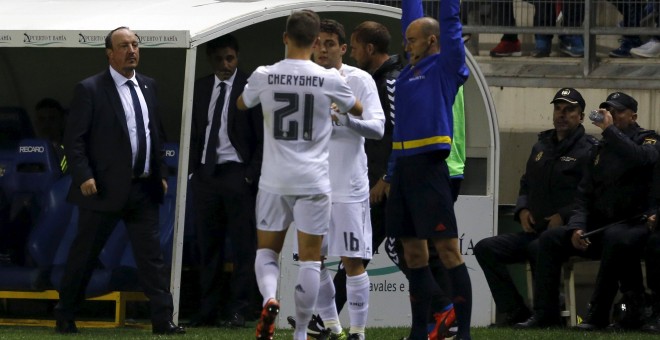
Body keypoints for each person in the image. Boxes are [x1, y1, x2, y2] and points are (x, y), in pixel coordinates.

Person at [236, 10, 363, 340]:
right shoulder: (329, 79)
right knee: (311, 261)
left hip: (274, 180)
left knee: (266, 252)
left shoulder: (264, 74)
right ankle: (302, 332)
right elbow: (358, 110)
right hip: (313, 181)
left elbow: (241, 104)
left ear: (285, 38)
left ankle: (270, 299)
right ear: (317, 41)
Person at [55, 26, 184, 335]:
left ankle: (162, 320)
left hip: (143, 188)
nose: (132, 50)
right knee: (85, 256)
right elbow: (74, 141)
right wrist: (84, 175)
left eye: (135, 45)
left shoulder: (149, 86)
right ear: (109, 53)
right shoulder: (90, 89)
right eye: (124, 45)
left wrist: (161, 174)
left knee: (152, 258)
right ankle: (65, 314)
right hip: (102, 189)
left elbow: (156, 136)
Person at [516, 92, 659, 329]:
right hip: (600, 226)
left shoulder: (648, 140)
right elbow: (584, 195)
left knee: (617, 238)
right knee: (550, 238)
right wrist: (577, 226)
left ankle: (599, 312)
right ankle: (546, 313)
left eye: (618, 112)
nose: (611, 116)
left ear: (633, 116)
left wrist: (610, 130)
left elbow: (640, 159)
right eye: (608, 111)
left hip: (634, 223)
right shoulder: (600, 150)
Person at [474, 88, 596, 327]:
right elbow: (526, 183)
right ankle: (515, 311)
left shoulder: (589, 150)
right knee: (485, 248)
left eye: (569, 110)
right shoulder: (541, 147)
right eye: (558, 109)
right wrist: (522, 209)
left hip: (567, 235)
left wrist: (564, 216)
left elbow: (592, 196)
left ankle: (545, 314)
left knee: (542, 246)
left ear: (580, 116)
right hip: (534, 230)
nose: (562, 114)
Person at [386, 0, 471, 339]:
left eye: (413, 40)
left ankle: (463, 333)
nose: (406, 46)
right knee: (412, 254)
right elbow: (412, 17)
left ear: (432, 42)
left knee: (448, 251)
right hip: (404, 170)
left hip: (430, 169)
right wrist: (391, 173)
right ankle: (418, 332)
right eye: (406, 40)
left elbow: (449, 21)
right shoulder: (407, 71)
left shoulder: (446, 67)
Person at [297, 18, 384, 340]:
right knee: (312, 260)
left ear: (343, 48)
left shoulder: (359, 80)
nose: (322, 49)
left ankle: (359, 331)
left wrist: (347, 121)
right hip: (311, 187)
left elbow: (377, 128)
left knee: (351, 261)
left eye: (329, 43)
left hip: (348, 186)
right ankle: (333, 328)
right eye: (317, 43)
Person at [187, 34, 263, 328]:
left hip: (237, 172)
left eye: (230, 58)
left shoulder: (250, 88)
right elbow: (194, 130)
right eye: (219, 59)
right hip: (206, 174)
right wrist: (194, 171)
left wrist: (249, 174)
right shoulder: (202, 87)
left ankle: (239, 309)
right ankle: (208, 309)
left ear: (237, 56)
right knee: (208, 246)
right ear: (210, 59)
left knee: (244, 246)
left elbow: (262, 139)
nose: (225, 64)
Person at [34, 98, 67, 173]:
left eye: (52, 119)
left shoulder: (71, 151)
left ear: (62, 121)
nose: (46, 124)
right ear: (36, 123)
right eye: (41, 119)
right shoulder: (27, 150)